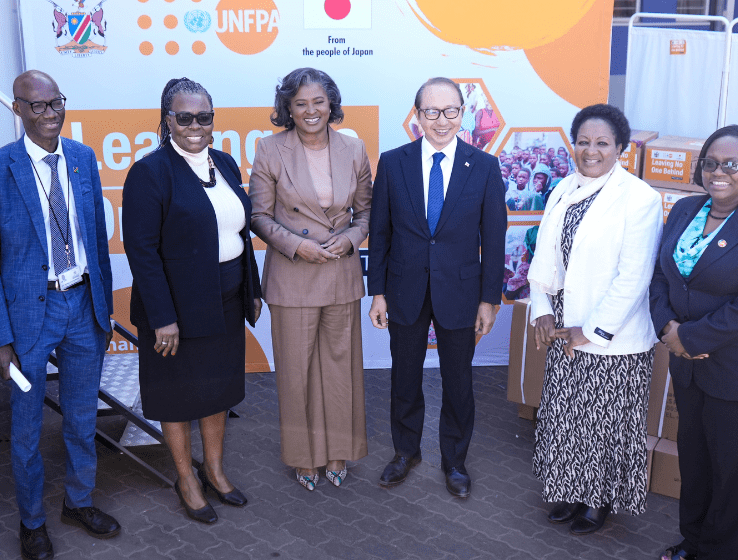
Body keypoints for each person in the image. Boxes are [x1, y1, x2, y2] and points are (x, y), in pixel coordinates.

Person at [0, 70, 119, 560]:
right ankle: (31, 521)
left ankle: (79, 501)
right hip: (27, 321)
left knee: (80, 417)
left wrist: (103, 309)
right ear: (17, 110)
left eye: (56, 102)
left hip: (81, 307)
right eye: (38, 106)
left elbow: (96, 241)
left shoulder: (82, 158)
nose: (51, 114)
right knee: (27, 428)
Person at [650, 125, 738, 560]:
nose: (719, 172)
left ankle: (715, 555)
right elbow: (659, 276)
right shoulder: (684, 210)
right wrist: (666, 329)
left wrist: (688, 337)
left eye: (731, 164)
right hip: (690, 368)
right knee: (694, 464)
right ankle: (692, 544)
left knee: (730, 475)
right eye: (711, 162)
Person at [122, 77, 262, 525]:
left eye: (204, 117)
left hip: (225, 299)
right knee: (177, 396)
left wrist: (250, 290)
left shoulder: (223, 163)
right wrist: (162, 318)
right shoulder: (150, 172)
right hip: (175, 310)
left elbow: (239, 233)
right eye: (184, 118)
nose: (195, 126)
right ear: (168, 121)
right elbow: (141, 251)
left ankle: (216, 471)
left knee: (217, 391)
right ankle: (186, 478)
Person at [367, 77, 506, 498]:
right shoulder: (393, 163)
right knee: (404, 378)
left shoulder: (483, 167)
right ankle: (405, 453)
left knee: (459, 382)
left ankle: (455, 461)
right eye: (431, 111)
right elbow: (381, 233)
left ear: (462, 114)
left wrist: (489, 300)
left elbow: (494, 238)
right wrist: (378, 292)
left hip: (461, 293)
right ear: (417, 115)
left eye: (450, 111)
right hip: (404, 290)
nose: (441, 120)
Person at [529, 104, 663, 536]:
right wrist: (544, 312)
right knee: (568, 416)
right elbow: (543, 261)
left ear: (621, 148)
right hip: (564, 326)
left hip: (612, 336)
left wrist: (592, 330)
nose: (591, 151)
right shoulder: (564, 188)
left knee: (604, 423)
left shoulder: (639, 198)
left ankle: (599, 500)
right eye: (583, 141)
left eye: (602, 143)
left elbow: (634, 276)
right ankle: (570, 490)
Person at [249, 67, 371, 491]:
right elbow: (259, 216)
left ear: (331, 103)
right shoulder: (269, 149)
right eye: (300, 103)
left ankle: (337, 452)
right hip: (294, 274)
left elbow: (367, 213)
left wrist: (352, 239)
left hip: (339, 272)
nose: (310, 110)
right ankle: (304, 457)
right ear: (287, 108)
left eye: (318, 101)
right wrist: (296, 246)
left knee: (340, 369)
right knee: (296, 371)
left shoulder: (354, 149)